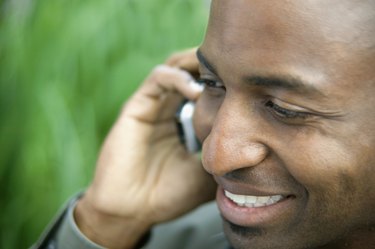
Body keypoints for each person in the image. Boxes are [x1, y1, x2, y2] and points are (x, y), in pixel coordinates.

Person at [33, 0, 375, 248]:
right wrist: (106, 225)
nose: (215, 158)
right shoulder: (174, 237)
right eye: (212, 83)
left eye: (285, 108)